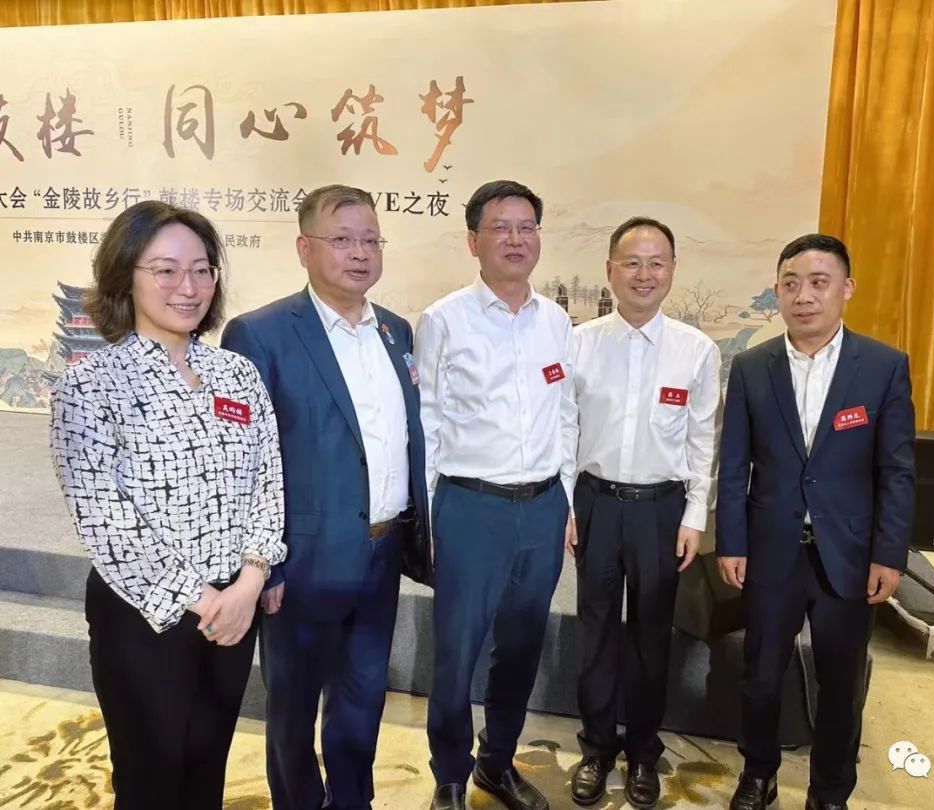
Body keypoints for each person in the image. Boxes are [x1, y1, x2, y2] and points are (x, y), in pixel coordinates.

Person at [49, 200, 286, 810]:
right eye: (166, 270)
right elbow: (104, 518)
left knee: (207, 769)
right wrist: (205, 601)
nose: (189, 286)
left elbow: (268, 482)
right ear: (124, 276)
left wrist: (250, 581)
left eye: (202, 270)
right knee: (150, 777)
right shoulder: (92, 383)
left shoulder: (237, 374)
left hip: (234, 608)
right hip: (145, 614)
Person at [221, 184, 431, 810]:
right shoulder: (260, 334)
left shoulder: (395, 330)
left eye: (370, 240)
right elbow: (244, 463)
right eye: (341, 239)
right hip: (301, 562)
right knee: (292, 712)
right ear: (304, 248)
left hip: (381, 553)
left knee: (362, 701)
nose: (359, 253)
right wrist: (266, 565)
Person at [716, 234, 915, 810]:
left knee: (841, 681)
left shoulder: (882, 367)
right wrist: (731, 541)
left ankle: (829, 791)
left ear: (846, 288)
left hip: (848, 555)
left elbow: (897, 470)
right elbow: (734, 465)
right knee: (761, 673)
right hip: (771, 549)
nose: (803, 296)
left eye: (819, 282)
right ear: (777, 291)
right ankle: (758, 775)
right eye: (791, 283)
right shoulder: (752, 367)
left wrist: (889, 554)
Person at [416, 180, 577, 810]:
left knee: (521, 646)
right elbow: (427, 421)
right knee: (457, 652)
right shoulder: (444, 319)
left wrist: (565, 500)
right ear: (473, 241)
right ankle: (450, 775)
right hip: (470, 507)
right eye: (500, 227)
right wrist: (430, 517)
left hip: (542, 509)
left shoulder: (557, 321)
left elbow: (565, 415)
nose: (515, 239)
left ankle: (497, 762)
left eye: (526, 227)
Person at [568, 216, 721, 809]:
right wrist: (566, 506)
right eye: (631, 262)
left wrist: (695, 516)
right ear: (609, 270)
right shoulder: (579, 343)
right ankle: (596, 748)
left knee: (652, 636)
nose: (644, 274)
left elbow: (703, 441)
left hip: (662, 510)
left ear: (673, 271)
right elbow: (564, 430)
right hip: (596, 504)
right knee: (596, 632)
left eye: (657, 263)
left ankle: (642, 754)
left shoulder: (695, 350)